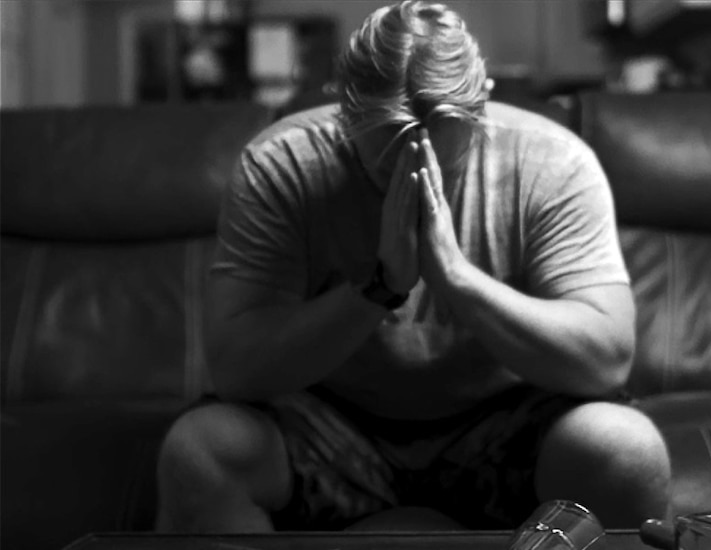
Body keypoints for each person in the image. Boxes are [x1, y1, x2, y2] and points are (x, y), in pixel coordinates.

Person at [155, 0, 671, 533]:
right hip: (334, 421)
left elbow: (607, 358)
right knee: (201, 451)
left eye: (442, 162)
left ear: (482, 105)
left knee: (625, 449)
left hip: (503, 421)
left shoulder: (553, 162)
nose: (414, 171)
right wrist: (375, 290)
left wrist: (457, 279)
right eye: (386, 163)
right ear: (345, 110)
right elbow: (236, 369)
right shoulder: (281, 165)